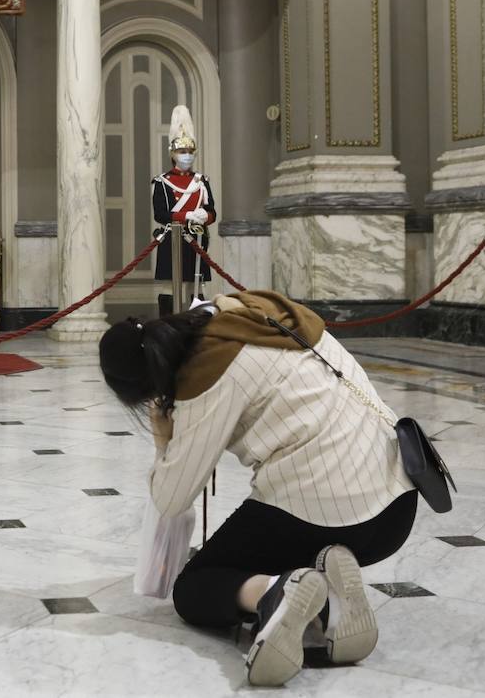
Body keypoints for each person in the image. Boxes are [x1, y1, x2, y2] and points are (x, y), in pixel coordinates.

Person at [98, 291, 418, 687]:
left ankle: (275, 593)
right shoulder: (256, 310)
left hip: (327, 512)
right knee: (276, 529)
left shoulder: (205, 372)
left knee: (195, 586)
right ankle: (332, 591)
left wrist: (163, 439)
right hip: (398, 505)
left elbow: (171, 499)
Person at [152, 105, 216, 314]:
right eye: (182, 151)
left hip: (196, 240)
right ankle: (168, 326)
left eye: (190, 152)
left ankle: (195, 329)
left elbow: (212, 211)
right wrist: (186, 215)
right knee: (170, 288)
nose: (187, 155)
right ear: (173, 153)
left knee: (195, 287)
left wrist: (205, 215)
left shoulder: (202, 181)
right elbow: (160, 214)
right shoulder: (162, 182)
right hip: (173, 239)